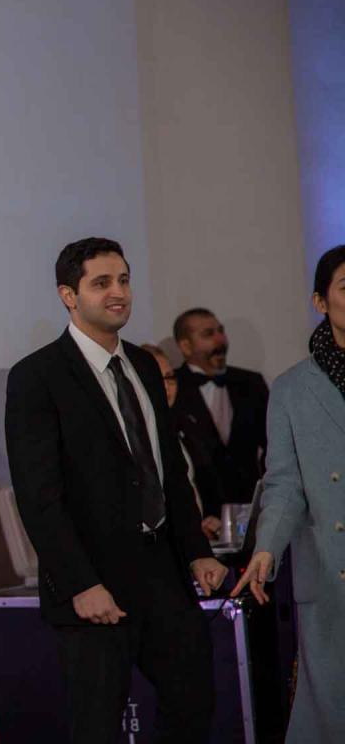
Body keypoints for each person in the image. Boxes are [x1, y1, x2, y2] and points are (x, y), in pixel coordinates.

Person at [4, 238, 227, 744]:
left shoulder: (145, 365)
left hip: (163, 571)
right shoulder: (37, 376)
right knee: (98, 725)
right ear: (68, 295)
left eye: (123, 280)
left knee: (193, 703)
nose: (118, 293)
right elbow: (39, 497)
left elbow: (168, 468)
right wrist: (80, 584)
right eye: (101, 283)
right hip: (93, 580)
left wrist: (197, 551)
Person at [233, 244, 345, 741]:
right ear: (320, 302)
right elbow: (284, 483)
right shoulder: (292, 389)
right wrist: (266, 548)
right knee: (331, 711)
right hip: (330, 568)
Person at [172, 308, 269, 518]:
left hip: (252, 512)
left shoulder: (251, 383)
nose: (220, 340)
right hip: (200, 517)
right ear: (185, 346)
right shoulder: (172, 388)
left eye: (221, 331)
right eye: (208, 334)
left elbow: (273, 445)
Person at [139, 343, 212, 526]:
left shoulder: (183, 425)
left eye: (170, 377)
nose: (166, 386)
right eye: (157, 378)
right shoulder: (136, 436)